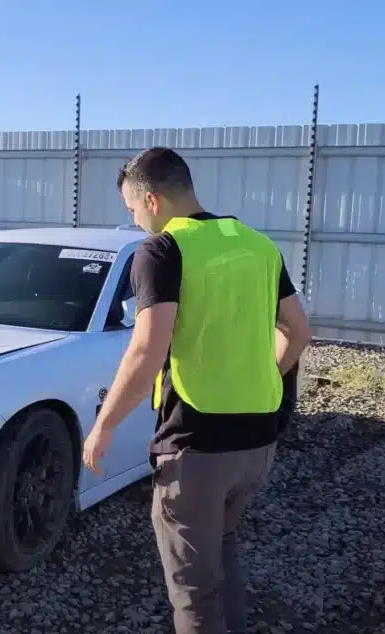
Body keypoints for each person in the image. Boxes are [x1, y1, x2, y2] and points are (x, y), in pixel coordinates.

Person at [82, 147, 312, 634]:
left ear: (152, 199)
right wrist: (262, 377)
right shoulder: (258, 245)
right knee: (222, 553)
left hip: (197, 445)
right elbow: (297, 331)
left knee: (192, 592)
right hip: (258, 442)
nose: (136, 220)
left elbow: (146, 350)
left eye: (132, 210)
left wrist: (102, 427)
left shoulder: (162, 250)